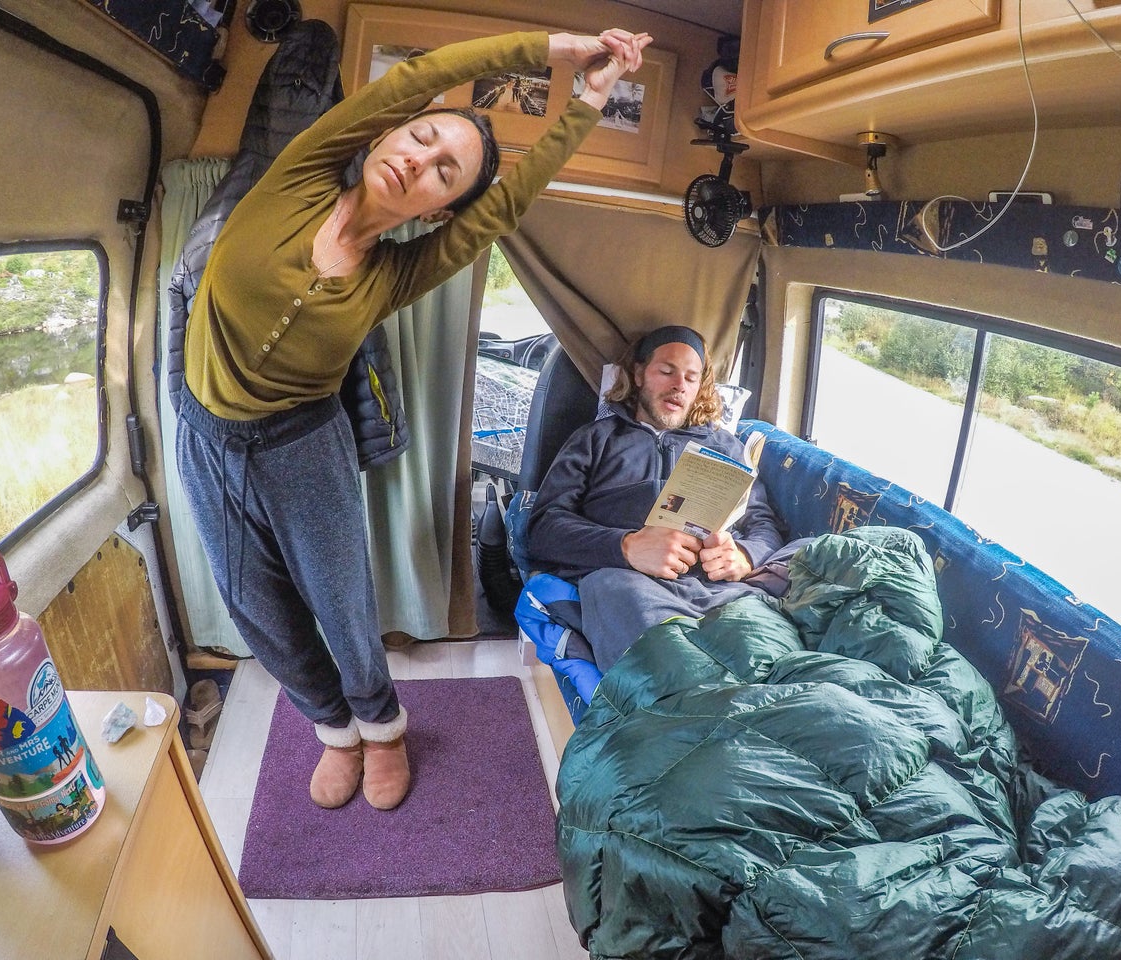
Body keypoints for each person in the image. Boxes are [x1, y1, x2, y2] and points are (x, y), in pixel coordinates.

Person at [174, 28, 652, 812]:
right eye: (422, 136)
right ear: (392, 128)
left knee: (342, 601)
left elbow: (506, 205)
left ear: (439, 208)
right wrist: (559, 50)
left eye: (444, 172)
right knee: (256, 607)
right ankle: (332, 729)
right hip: (206, 435)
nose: (419, 159)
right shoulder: (297, 179)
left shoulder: (398, 272)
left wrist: (590, 104)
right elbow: (424, 73)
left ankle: (383, 727)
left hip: (303, 445)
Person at [525, 326, 789, 671]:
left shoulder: (726, 446)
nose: (679, 385)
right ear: (638, 374)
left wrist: (745, 555)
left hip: (722, 592)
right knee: (648, 631)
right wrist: (626, 547)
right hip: (628, 583)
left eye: (691, 378)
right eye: (666, 371)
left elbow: (763, 523)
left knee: (817, 552)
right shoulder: (595, 440)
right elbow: (543, 529)